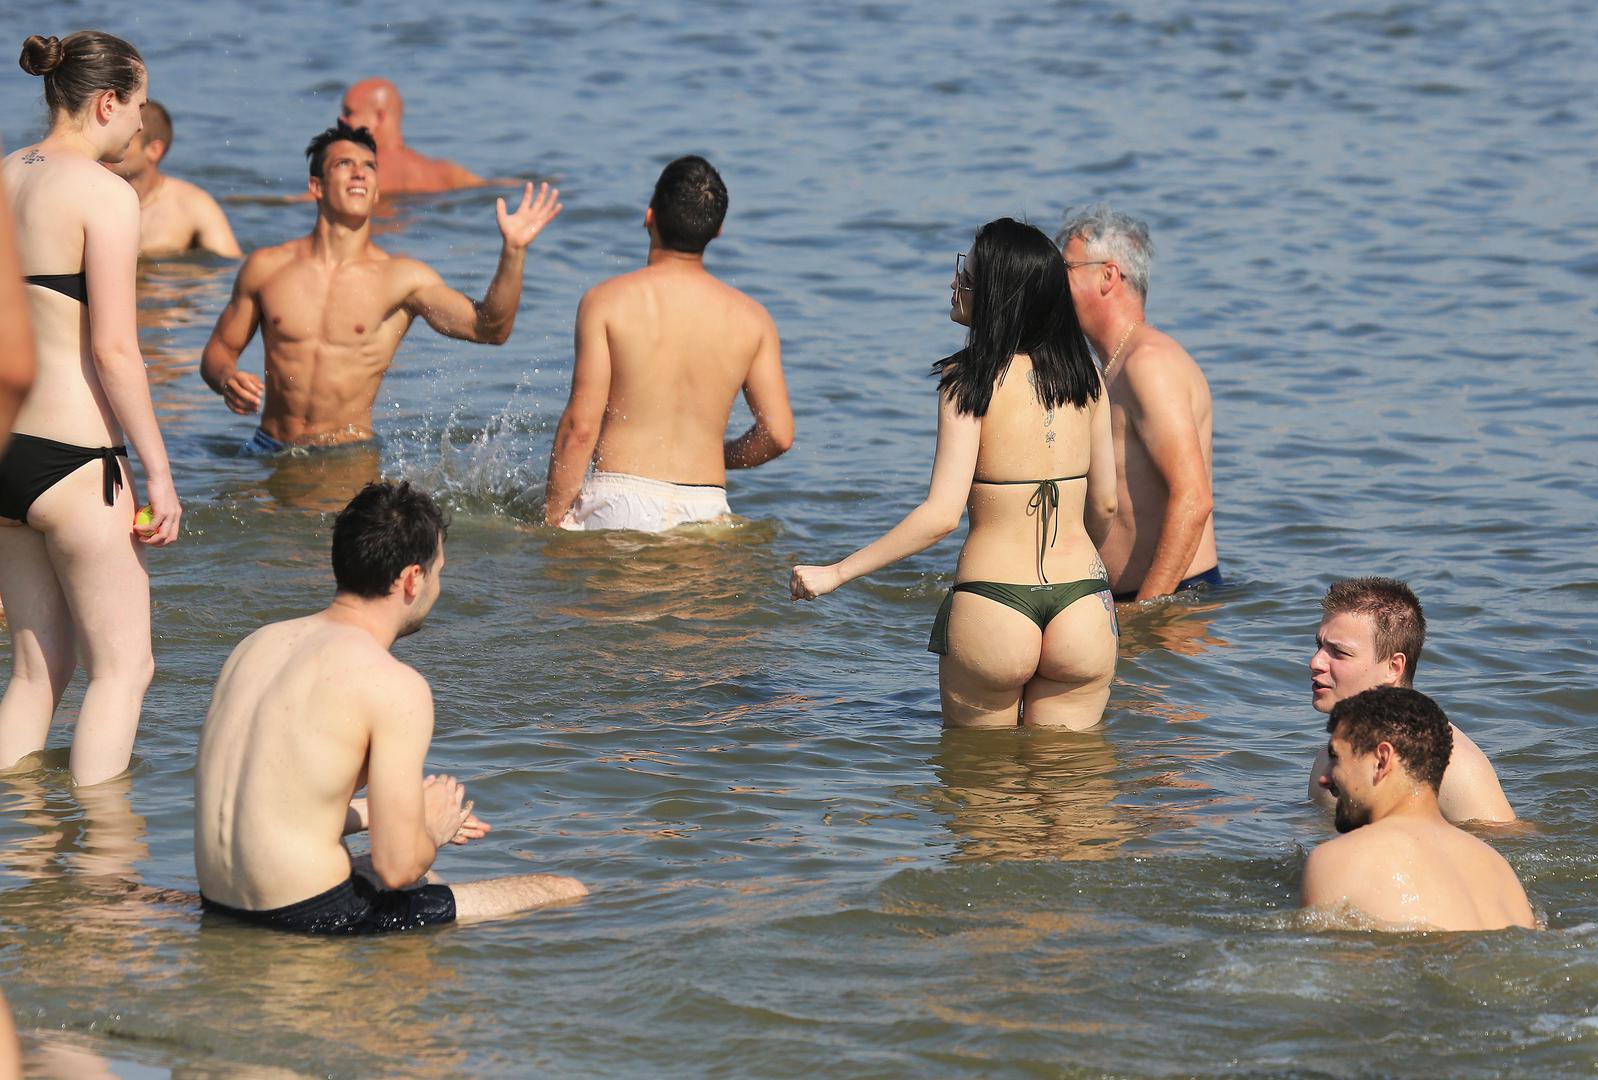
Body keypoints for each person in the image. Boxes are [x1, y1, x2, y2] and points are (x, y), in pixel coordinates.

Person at [194, 481, 587, 935]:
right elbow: (398, 867)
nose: (437, 588)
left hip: (221, 906)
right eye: (438, 573)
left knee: (421, 875)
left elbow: (277, 805)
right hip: (317, 918)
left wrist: (377, 815)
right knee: (564, 889)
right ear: (413, 579)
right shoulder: (394, 685)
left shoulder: (256, 645)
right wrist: (433, 828)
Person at [791, 219, 1118, 729]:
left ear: (999, 295)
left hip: (995, 605)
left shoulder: (969, 379)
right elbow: (1106, 505)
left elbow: (941, 515)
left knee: (980, 776)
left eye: (967, 274)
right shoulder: (1088, 377)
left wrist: (836, 573)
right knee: (1069, 775)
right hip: (1083, 606)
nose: (954, 282)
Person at [0, 32, 182, 787]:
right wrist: (159, 473)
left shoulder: (4, 175)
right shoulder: (106, 195)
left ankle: (17, 835)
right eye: (139, 104)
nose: (141, 123)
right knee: (123, 670)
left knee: (37, 671)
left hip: (8, 457)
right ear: (107, 102)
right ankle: (104, 847)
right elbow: (114, 350)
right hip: (76, 460)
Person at [199, 121, 559, 452]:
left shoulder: (401, 279)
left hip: (347, 456)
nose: (359, 172)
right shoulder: (267, 268)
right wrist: (227, 379)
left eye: (369, 166)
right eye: (344, 164)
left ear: (375, 193)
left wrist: (513, 252)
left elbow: (490, 329)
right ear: (316, 187)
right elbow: (218, 351)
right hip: (267, 448)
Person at [543, 155, 793, 530]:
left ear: (649, 217)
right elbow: (778, 435)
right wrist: (719, 455)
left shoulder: (606, 302)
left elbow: (580, 428)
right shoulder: (754, 320)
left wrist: (550, 521)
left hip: (619, 501)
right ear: (718, 231)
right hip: (707, 509)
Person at [1057, 206, 1218, 603]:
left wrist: (1146, 610)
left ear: (1108, 276)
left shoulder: (1148, 363)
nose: (1053, 285)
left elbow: (1194, 499)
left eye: (1065, 270)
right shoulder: (1113, 366)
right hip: (1139, 600)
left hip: (1173, 602)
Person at [1302, 687, 1534, 931]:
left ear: (1382, 760)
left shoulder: (1336, 861)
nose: (1324, 778)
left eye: (1335, 758)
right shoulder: (1499, 868)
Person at [1307, 578, 1514, 823]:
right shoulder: (1329, 759)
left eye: (1339, 652)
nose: (1315, 662)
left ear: (1393, 667)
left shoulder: (1452, 768)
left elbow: (1507, 841)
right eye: (1319, 645)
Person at [104, 100, 242, 258]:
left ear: (154, 150)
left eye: (121, 139)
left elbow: (230, 265)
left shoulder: (194, 205)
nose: (107, 147)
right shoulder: (91, 195)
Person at [339, 78, 490, 195]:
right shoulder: (445, 172)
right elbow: (495, 187)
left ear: (379, 116)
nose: (341, 120)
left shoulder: (357, 173)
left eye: (349, 113)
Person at [0, 179, 37, 457]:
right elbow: (12, 371)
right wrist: (158, 470)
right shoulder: (110, 194)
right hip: (77, 435)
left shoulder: (10, 170)